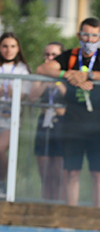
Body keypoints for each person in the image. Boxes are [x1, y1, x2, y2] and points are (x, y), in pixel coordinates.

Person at [38, 17, 100, 208]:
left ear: (99, 37)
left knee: (98, 173)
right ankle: (71, 213)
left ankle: (98, 214)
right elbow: (43, 68)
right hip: (72, 122)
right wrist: (67, 74)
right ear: (79, 35)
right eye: (85, 35)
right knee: (71, 172)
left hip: (99, 123)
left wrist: (88, 75)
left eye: (94, 36)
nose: (89, 40)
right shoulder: (70, 56)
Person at [29, 42, 65, 201]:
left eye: (54, 55)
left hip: (61, 123)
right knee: (44, 172)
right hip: (44, 122)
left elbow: (71, 97)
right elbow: (32, 97)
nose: (50, 58)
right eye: (47, 54)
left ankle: (57, 205)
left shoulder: (67, 74)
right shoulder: (40, 73)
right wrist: (45, 82)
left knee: (58, 173)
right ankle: (45, 204)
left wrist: (57, 81)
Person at [0, 32, 31, 199]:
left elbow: (24, 94)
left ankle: (3, 181)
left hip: (10, 119)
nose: (8, 50)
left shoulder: (22, 69)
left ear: (18, 48)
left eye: (12, 46)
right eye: (5, 46)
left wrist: (12, 92)